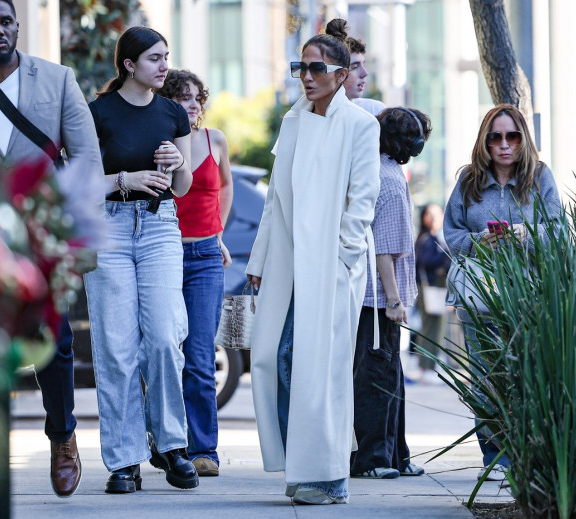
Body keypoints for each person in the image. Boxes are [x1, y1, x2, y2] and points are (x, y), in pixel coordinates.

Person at [0, 0, 104, 499]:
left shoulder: (58, 80)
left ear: (17, 25)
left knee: (55, 342)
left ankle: (62, 436)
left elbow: (87, 160)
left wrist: (73, 232)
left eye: (6, 21)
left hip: (43, 233)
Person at [245, 18, 380, 505]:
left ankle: (326, 475)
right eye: (300, 65)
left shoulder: (361, 124)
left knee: (320, 368)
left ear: (341, 74)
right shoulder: (293, 120)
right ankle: (302, 460)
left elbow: (364, 199)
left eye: (316, 67)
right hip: (286, 260)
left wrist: (343, 258)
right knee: (272, 356)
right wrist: (260, 257)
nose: (306, 74)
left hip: (329, 266)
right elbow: (274, 201)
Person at [85, 26, 197, 494]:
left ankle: (170, 445)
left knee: (165, 337)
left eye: (166, 56)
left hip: (159, 228)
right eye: (154, 58)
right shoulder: (97, 113)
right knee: (115, 346)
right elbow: (79, 183)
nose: (163, 65)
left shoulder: (173, 113)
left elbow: (185, 186)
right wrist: (124, 179)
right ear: (129, 65)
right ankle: (124, 459)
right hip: (108, 228)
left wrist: (178, 162)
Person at [443, 103, 562, 481]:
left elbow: (559, 232)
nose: (504, 144)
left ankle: (527, 452)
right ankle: (495, 456)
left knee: (525, 373)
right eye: (495, 137)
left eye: (512, 136)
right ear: (485, 141)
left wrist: (524, 235)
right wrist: (481, 242)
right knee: (486, 374)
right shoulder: (468, 181)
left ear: (523, 138)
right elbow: (451, 235)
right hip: (481, 296)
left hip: (530, 295)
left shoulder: (540, 177)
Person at [156, 69, 232, 477]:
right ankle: (167, 443)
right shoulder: (158, 140)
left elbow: (224, 188)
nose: (193, 104)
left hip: (204, 257)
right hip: (163, 254)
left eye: (197, 98)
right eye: (184, 97)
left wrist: (218, 233)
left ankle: (204, 449)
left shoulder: (214, 140)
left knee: (200, 354)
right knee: (165, 350)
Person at [351, 107, 431, 480]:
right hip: (378, 299)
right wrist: (395, 301)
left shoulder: (381, 170)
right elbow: (385, 249)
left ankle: (396, 456)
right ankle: (374, 460)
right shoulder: (392, 179)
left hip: (372, 296)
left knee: (389, 376)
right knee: (378, 379)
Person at [413, 203, 451, 380]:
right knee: (431, 328)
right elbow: (427, 261)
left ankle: (429, 368)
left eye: (438, 214)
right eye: (431, 214)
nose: (435, 218)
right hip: (428, 288)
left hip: (435, 288)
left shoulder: (435, 237)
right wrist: (446, 254)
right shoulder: (426, 239)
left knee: (436, 328)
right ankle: (426, 369)